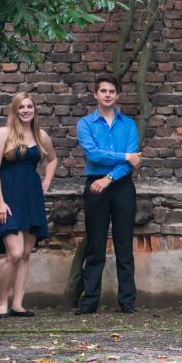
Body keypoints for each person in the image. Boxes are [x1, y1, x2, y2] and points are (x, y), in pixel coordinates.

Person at [0, 92, 58, 318]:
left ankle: (18, 304)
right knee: (14, 253)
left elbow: (52, 159)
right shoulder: (2, 134)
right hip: (8, 196)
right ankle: (2, 304)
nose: (26, 110)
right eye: (21, 107)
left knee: (25, 253)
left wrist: (46, 180)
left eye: (29, 107)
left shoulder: (41, 135)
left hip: (31, 196)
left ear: (34, 110)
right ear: (15, 110)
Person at [75, 73, 142, 315]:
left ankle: (127, 302)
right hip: (95, 186)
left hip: (121, 185)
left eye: (111, 91)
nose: (107, 95)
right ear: (95, 94)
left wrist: (109, 178)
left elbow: (133, 162)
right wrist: (124, 156)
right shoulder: (85, 124)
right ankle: (90, 301)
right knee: (96, 244)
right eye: (103, 91)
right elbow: (94, 154)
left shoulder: (129, 125)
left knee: (124, 244)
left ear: (117, 95)